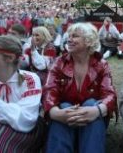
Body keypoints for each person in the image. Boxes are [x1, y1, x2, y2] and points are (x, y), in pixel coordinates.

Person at [43, 22, 117, 153]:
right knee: (64, 106)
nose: (69, 39)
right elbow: (49, 91)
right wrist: (56, 113)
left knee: (91, 104)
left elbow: (110, 94)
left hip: (92, 120)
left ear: (88, 41)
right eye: (69, 36)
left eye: (75, 36)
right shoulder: (58, 63)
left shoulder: (101, 64)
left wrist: (97, 111)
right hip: (64, 117)